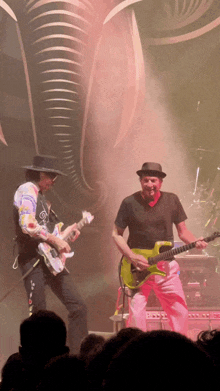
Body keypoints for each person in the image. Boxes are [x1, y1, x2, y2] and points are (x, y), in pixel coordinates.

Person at [112, 162, 208, 335]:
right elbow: (116, 234)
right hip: (137, 267)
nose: (150, 185)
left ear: (160, 182)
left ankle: (179, 348)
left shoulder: (172, 200)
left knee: (179, 310)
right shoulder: (129, 202)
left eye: (154, 180)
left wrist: (196, 242)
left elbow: (183, 231)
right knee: (136, 313)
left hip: (166, 267)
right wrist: (131, 256)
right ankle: (137, 350)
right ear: (141, 181)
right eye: (146, 180)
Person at [13, 154, 88, 354]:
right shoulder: (27, 189)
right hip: (32, 260)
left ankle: (76, 357)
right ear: (40, 174)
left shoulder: (43, 198)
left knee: (78, 306)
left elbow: (50, 231)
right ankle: (37, 361)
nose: (53, 181)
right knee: (39, 315)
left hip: (51, 261)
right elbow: (28, 224)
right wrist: (55, 240)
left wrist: (66, 234)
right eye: (51, 176)